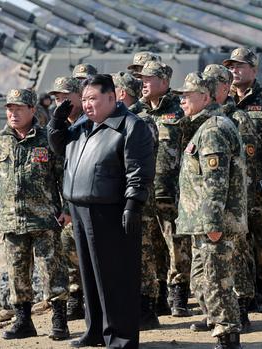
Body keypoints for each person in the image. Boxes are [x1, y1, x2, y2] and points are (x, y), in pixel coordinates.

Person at [48, 74, 155, 348]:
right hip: (81, 208)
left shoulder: (131, 126)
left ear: (112, 97)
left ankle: (120, 337)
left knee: (114, 277)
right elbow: (60, 147)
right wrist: (56, 122)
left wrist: (133, 205)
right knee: (91, 277)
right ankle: (96, 329)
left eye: (92, 98)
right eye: (83, 99)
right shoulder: (83, 125)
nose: (86, 105)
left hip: (111, 211)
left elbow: (139, 172)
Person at [0, 88, 70, 341]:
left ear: (32, 110)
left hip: (44, 221)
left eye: (18, 108)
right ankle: (23, 322)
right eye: (9, 108)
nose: (13, 113)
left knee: (53, 272)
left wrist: (68, 209)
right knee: (18, 276)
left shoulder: (46, 139)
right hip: (11, 221)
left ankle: (60, 321)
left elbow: (64, 177)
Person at [174, 72, 246, 349]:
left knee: (217, 281)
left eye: (186, 95)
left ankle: (228, 337)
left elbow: (216, 183)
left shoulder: (213, 130)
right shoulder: (202, 127)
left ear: (205, 97)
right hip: (201, 223)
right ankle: (222, 328)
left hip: (213, 224)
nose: (181, 100)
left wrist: (214, 223)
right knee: (202, 280)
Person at [223, 47, 262, 313]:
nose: (235, 71)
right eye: (232, 66)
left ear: (254, 70)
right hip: (233, 188)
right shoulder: (224, 102)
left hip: (261, 185)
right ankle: (243, 293)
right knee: (239, 241)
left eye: (240, 66)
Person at [201, 64, 258, 332]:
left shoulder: (238, 118)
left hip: (234, 201)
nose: (207, 89)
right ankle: (214, 311)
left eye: (211, 85)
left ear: (224, 88)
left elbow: (248, 163)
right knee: (209, 263)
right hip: (209, 201)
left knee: (236, 258)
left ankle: (241, 311)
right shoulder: (204, 117)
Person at [135, 60, 186, 317]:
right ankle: (157, 296)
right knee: (150, 247)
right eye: (141, 78)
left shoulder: (180, 111)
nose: (143, 83)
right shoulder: (136, 112)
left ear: (164, 82)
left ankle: (179, 295)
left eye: (149, 78)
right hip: (146, 192)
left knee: (176, 245)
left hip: (172, 191)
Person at [113, 70, 163, 329]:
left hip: (140, 199)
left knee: (143, 253)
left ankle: (146, 309)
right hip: (127, 197)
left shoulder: (140, 121)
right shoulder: (121, 120)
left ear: (121, 93)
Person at [47, 76, 85, 321]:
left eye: (65, 97)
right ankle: (75, 300)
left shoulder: (86, 124)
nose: (60, 102)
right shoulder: (59, 126)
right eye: (57, 98)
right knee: (68, 254)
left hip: (83, 203)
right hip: (64, 206)